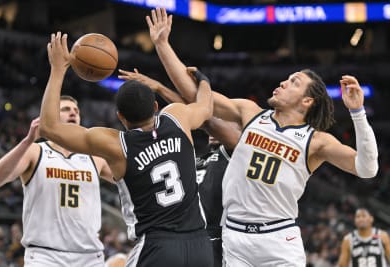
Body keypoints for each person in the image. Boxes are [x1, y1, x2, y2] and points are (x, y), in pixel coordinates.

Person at [146, 7, 379, 266]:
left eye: (294, 82)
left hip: (279, 240)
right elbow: (195, 95)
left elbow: (367, 169)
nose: (283, 82)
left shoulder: (316, 141)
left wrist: (357, 113)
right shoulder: (251, 114)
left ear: (307, 101)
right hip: (235, 237)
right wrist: (162, 45)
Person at [39, 31, 214, 267]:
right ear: (155, 106)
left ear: (120, 116)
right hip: (200, 246)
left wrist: (58, 70)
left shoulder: (115, 144)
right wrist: (203, 80)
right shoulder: (177, 117)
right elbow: (205, 106)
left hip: (157, 246)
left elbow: (49, 127)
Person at [119, 69, 241, 267]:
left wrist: (161, 88)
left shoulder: (235, 153)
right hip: (191, 237)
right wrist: (158, 90)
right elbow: (187, 116)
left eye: (225, 124)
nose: (215, 128)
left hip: (215, 238)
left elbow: (201, 114)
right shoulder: (189, 157)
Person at [0, 96, 114, 267]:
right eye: (66, 109)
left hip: (89, 257)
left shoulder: (95, 156)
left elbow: (131, 178)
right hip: (45, 255)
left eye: (76, 111)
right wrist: (27, 141)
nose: (73, 113)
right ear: (52, 117)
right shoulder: (35, 150)